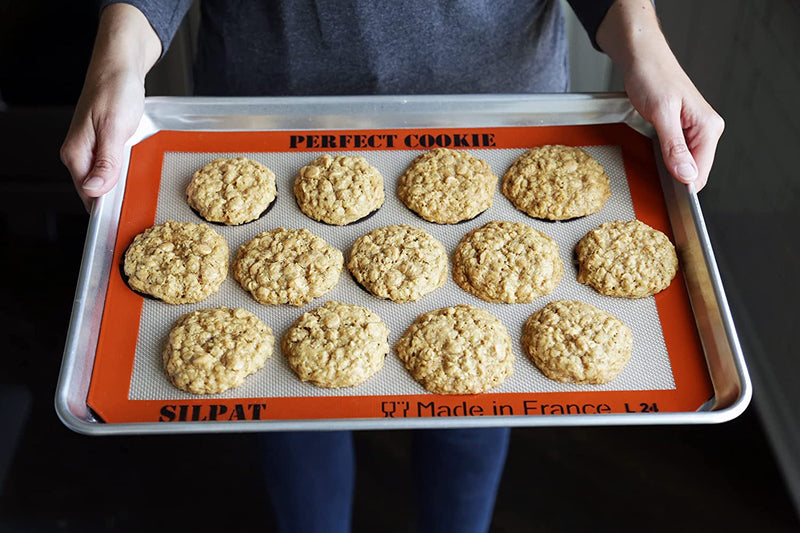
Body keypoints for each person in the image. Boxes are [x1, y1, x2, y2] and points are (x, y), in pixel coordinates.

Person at [60, 2, 724, 532]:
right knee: (287, 412)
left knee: (477, 399)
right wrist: (118, 52)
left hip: (499, 115)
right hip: (270, 110)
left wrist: (644, 40)